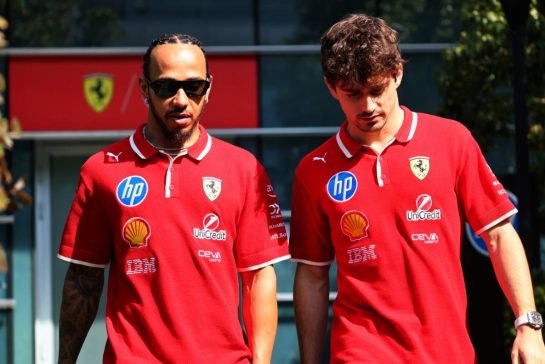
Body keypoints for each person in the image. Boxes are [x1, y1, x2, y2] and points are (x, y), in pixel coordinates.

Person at [289, 13, 545, 364]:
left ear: (397, 73)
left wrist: (528, 325)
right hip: (360, 350)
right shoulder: (313, 171)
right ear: (331, 87)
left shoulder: (451, 140)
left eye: (377, 90)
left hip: (446, 351)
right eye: (353, 93)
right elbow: (313, 274)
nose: (367, 106)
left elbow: (499, 234)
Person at [57, 33, 290, 363]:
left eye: (193, 87)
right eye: (167, 87)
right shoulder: (101, 171)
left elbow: (258, 276)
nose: (181, 99)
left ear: (208, 89)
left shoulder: (243, 169)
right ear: (144, 89)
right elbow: (83, 280)